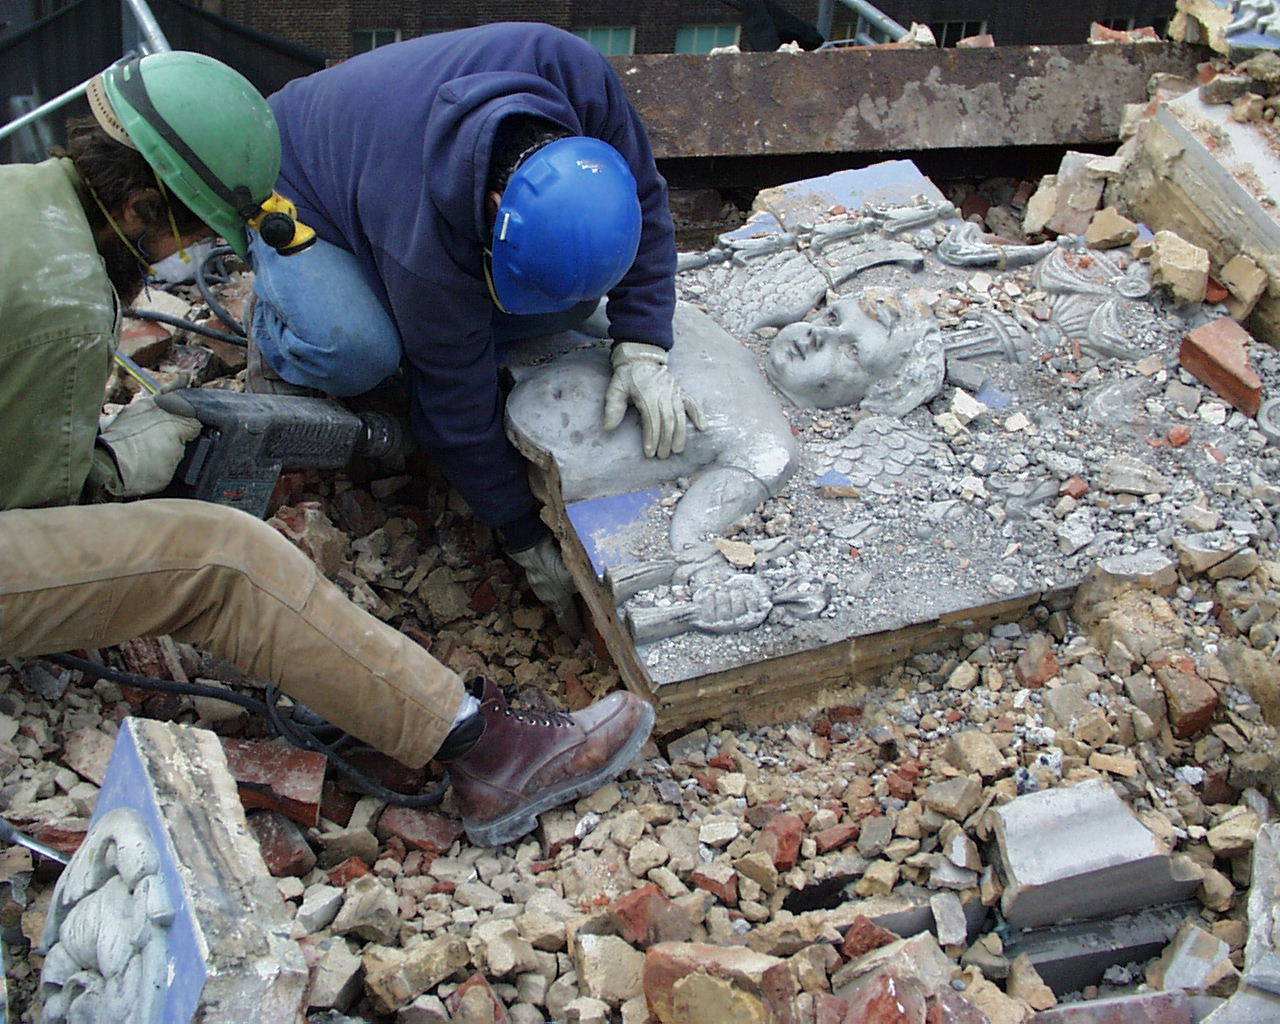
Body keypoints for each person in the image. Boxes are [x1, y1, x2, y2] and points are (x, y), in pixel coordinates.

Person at [0, 50, 653, 848]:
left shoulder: (19, 201)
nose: (202, 252)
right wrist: (116, 464)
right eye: (199, 229)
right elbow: (40, 509)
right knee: (219, 562)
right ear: (138, 209)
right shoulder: (64, 303)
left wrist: (645, 341)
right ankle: (488, 752)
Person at [247, 23, 705, 633]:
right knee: (360, 352)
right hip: (291, 171)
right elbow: (453, 403)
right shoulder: (422, 240)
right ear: (495, 209)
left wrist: (643, 347)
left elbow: (644, 205)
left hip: (378, 136)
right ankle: (280, 320)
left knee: (564, 303)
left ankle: (403, 305)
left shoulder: (575, 74)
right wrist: (519, 529)